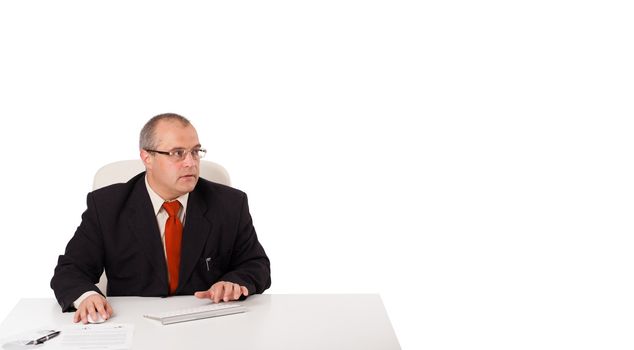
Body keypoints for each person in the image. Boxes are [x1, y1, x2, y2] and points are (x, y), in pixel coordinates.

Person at [51, 113, 271, 324]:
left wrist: (235, 282)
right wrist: (87, 296)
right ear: (147, 158)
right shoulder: (107, 206)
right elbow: (70, 271)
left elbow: (256, 264)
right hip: (135, 326)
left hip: (206, 325)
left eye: (195, 152)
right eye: (177, 153)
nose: (191, 163)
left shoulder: (230, 204)